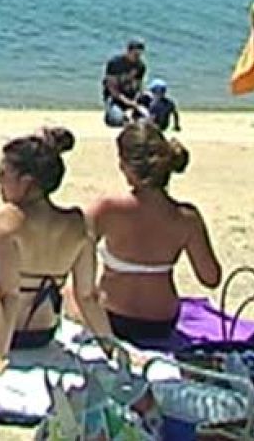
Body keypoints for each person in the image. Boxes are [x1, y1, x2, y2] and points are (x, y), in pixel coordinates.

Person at [0, 128, 110, 374]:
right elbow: (87, 296)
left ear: (26, 182)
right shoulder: (79, 223)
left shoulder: (5, 220)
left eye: (3, 174)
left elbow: (8, 294)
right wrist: (111, 346)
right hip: (42, 334)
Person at [87, 123, 221, 348]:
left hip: (113, 317)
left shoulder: (109, 208)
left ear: (125, 166)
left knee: (70, 294)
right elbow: (211, 278)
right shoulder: (186, 217)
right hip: (161, 321)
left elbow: (70, 253)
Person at [102, 40, 149, 127]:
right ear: (128, 51)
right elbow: (112, 89)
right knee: (117, 120)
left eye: (139, 55)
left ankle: (135, 116)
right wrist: (129, 102)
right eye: (135, 54)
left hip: (131, 96)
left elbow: (139, 86)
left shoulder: (141, 66)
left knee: (149, 100)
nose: (137, 57)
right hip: (115, 98)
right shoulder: (114, 63)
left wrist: (136, 100)